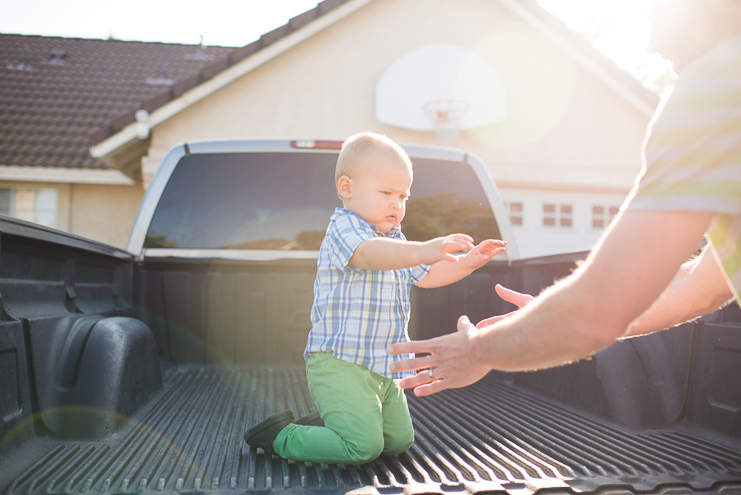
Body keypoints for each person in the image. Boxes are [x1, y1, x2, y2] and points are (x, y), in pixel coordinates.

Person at [387, 0, 741, 396]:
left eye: (659, 18)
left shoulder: (715, 88)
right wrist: (543, 319)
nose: (652, 44)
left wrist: (477, 351)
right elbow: (700, 284)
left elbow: (596, 311)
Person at [244, 132, 506, 463]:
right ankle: (282, 436)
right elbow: (371, 255)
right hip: (340, 363)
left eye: (403, 196)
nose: (397, 204)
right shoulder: (345, 229)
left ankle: (339, 425)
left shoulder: (397, 241)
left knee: (398, 441)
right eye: (386, 193)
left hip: (383, 366)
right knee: (363, 448)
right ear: (346, 189)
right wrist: (424, 249)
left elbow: (427, 275)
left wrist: (468, 262)